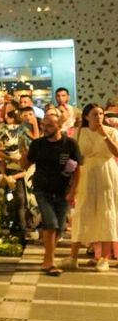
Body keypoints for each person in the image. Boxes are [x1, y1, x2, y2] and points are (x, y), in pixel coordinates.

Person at [25, 111, 80, 274]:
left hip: (63, 190)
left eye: (49, 125)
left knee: (60, 228)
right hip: (42, 189)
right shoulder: (38, 144)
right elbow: (25, 164)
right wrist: (23, 154)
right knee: (50, 223)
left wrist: (73, 191)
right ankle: (49, 262)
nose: (45, 128)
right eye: (44, 125)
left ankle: (47, 258)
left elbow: (77, 169)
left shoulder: (70, 144)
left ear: (59, 126)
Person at [69, 103, 118, 271]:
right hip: (85, 173)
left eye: (101, 114)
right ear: (86, 116)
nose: (99, 117)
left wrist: (104, 135)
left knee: (106, 212)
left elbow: (116, 152)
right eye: (95, 114)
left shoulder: (111, 131)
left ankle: (104, 258)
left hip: (106, 172)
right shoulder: (78, 133)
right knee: (82, 212)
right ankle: (73, 257)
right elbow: (73, 157)